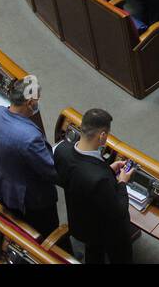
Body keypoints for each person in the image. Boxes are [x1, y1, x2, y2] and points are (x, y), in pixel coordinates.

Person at [52, 107, 135, 264]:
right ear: (102, 136)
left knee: (93, 253)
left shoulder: (61, 151)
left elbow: (78, 177)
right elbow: (119, 210)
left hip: (82, 223)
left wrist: (108, 169)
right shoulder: (99, 179)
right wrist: (122, 182)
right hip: (107, 231)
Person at [0, 76, 60, 236]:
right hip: (32, 199)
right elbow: (51, 171)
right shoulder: (29, 137)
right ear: (30, 103)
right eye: (37, 99)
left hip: (4, 185)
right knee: (47, 233)